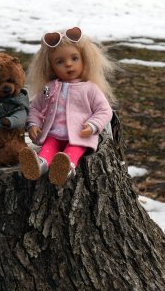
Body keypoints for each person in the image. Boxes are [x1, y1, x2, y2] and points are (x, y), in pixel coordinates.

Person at [19, 26, 116, 187]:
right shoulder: (50, 87)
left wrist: (93, 125)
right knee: (49, 147)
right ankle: (39, 166)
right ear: (51, 66)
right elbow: (35, 107)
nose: (68, 65)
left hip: (80, 135)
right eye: (60, 61)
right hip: (54, 133)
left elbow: (104, 110)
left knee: (73, 151)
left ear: (85, 59)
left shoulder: (90, 88)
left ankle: (65, 170)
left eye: (74, 58)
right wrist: (33, 124)